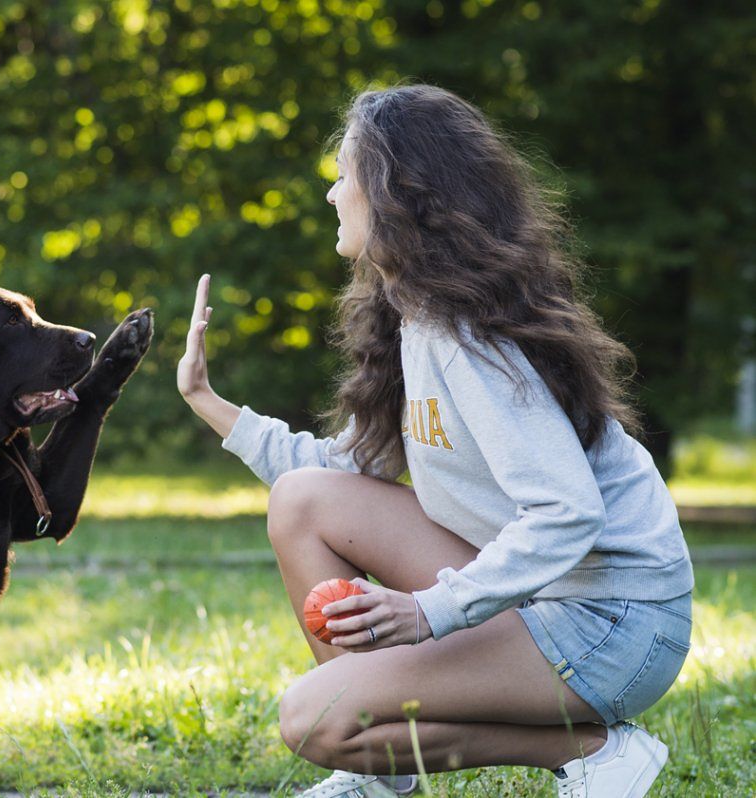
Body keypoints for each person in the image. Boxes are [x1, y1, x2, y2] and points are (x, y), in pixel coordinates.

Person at [176, 84, 694, 798]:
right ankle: (381, 773)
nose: (331, 194)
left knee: (314, 717)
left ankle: (593, 750)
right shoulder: (412, 321)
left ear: (393, 192)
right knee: (302, 502)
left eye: (343, 175)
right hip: (548, 597)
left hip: (614, 625)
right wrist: (210, 404)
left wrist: (428, 612)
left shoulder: (467, 338)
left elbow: (568, 512)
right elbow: (337, 478)